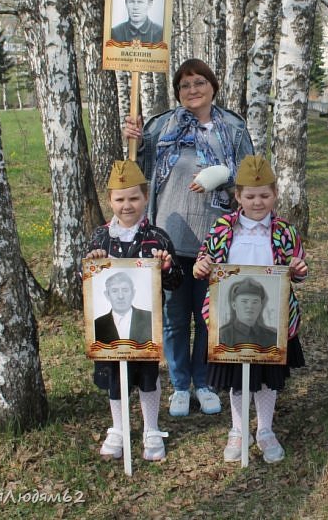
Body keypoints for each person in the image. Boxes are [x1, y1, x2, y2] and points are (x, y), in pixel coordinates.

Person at [123, 58, 254, 417]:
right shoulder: (161, 125)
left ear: (213, 86)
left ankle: (205, 381)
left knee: (208, 317)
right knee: (175, 318)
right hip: (169, 237)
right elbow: (138, 171)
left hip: (215, 241)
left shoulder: (233, 127)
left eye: (199, 83)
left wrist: (224, 175)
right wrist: (132, 140)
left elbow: (250, 179)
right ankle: (181, 385)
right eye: (184, 85)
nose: (192, 90)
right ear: (177, 92)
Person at [193, 155, 308, 464]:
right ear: (238, 197)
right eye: (250, 196)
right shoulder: (222, 228)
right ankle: (239, 429)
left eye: (265, 195)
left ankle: (266, 429)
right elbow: (204, 260)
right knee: (237, 377)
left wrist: (297, 268)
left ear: (275, 195)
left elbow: (297, 267)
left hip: (272, 317)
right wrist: (201, 266)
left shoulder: (285, 231)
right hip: (231, 317)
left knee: (267, 376)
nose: (258, 202)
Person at [86, 160, 182, 462]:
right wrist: (92, 263)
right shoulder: (100, 237)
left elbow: (176, 281)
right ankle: (118, 427)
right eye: (119, 199)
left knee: (147, 377)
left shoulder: (158, 237)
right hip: (110, 327)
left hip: (145, 324)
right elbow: (88, 281)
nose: (127, 206)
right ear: (110, 200)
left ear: (145, 197)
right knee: (116, 376)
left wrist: (166, 266)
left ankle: (151, 428)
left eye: (134, 198)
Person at [94, 272, 152, 345]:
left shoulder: (150, 318)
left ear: (133, 293)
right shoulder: (97, 325)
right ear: (107, 295)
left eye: (125, 290)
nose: (120, 296)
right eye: (114, 291)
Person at [220, 278, 277, 349]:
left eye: (255, 302)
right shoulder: (222, 336)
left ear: (261, 306)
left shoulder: (272, 337)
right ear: (234, 305)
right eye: (244, 301)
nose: (250, 306)